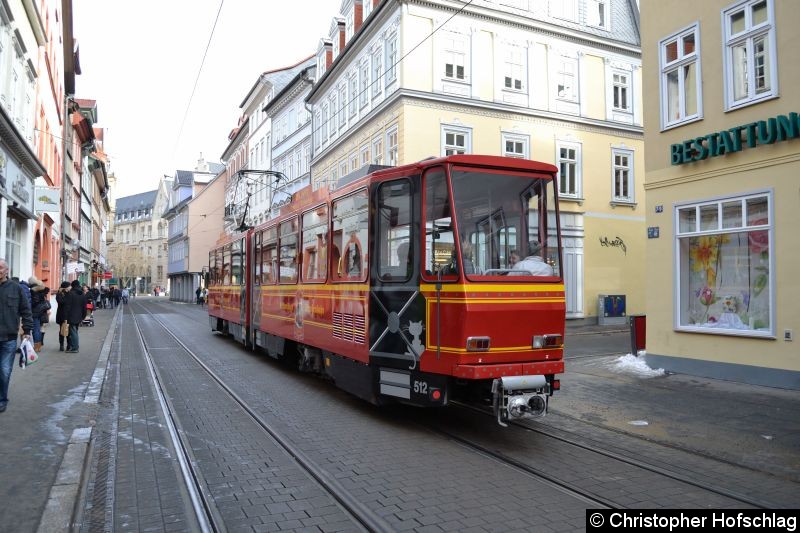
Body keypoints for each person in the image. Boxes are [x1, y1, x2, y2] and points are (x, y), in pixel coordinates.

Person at [0, 259, 33, 413]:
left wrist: (27, 331)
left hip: (9, 337)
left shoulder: (16, 288)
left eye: (0, 268)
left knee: (4, 370)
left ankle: (2, 399)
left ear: (7, 270)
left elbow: (26, 311)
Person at [63, 280, 87, 353]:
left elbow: (67, 306)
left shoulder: (71, 294)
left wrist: (65, 317)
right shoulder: (82, 294)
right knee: (75, 331)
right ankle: (75, 346)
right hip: (79, 315)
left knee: (73, 332)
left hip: (71, 316)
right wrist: (83, 316)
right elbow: (84, 307)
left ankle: (75, 348)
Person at [29, 277, 51, 351]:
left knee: (35, 330)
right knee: (38, 329)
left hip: (35, 312)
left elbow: (34, 302)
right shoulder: (42, 291)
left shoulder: (34, 291)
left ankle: (36, 346)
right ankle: (38, 346)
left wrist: (30, 304)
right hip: (41, 312)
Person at [55, 281, 72, 351]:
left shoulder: (70, 293)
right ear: (66, 287)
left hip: (68, 314)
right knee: (62, 330)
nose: (70, 287)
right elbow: (61, 302)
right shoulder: (60, 294)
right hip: (62, 315)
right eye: (69, 286)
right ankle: (61, 345)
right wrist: (66, 293)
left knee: (68, 331)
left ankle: (68, 345)